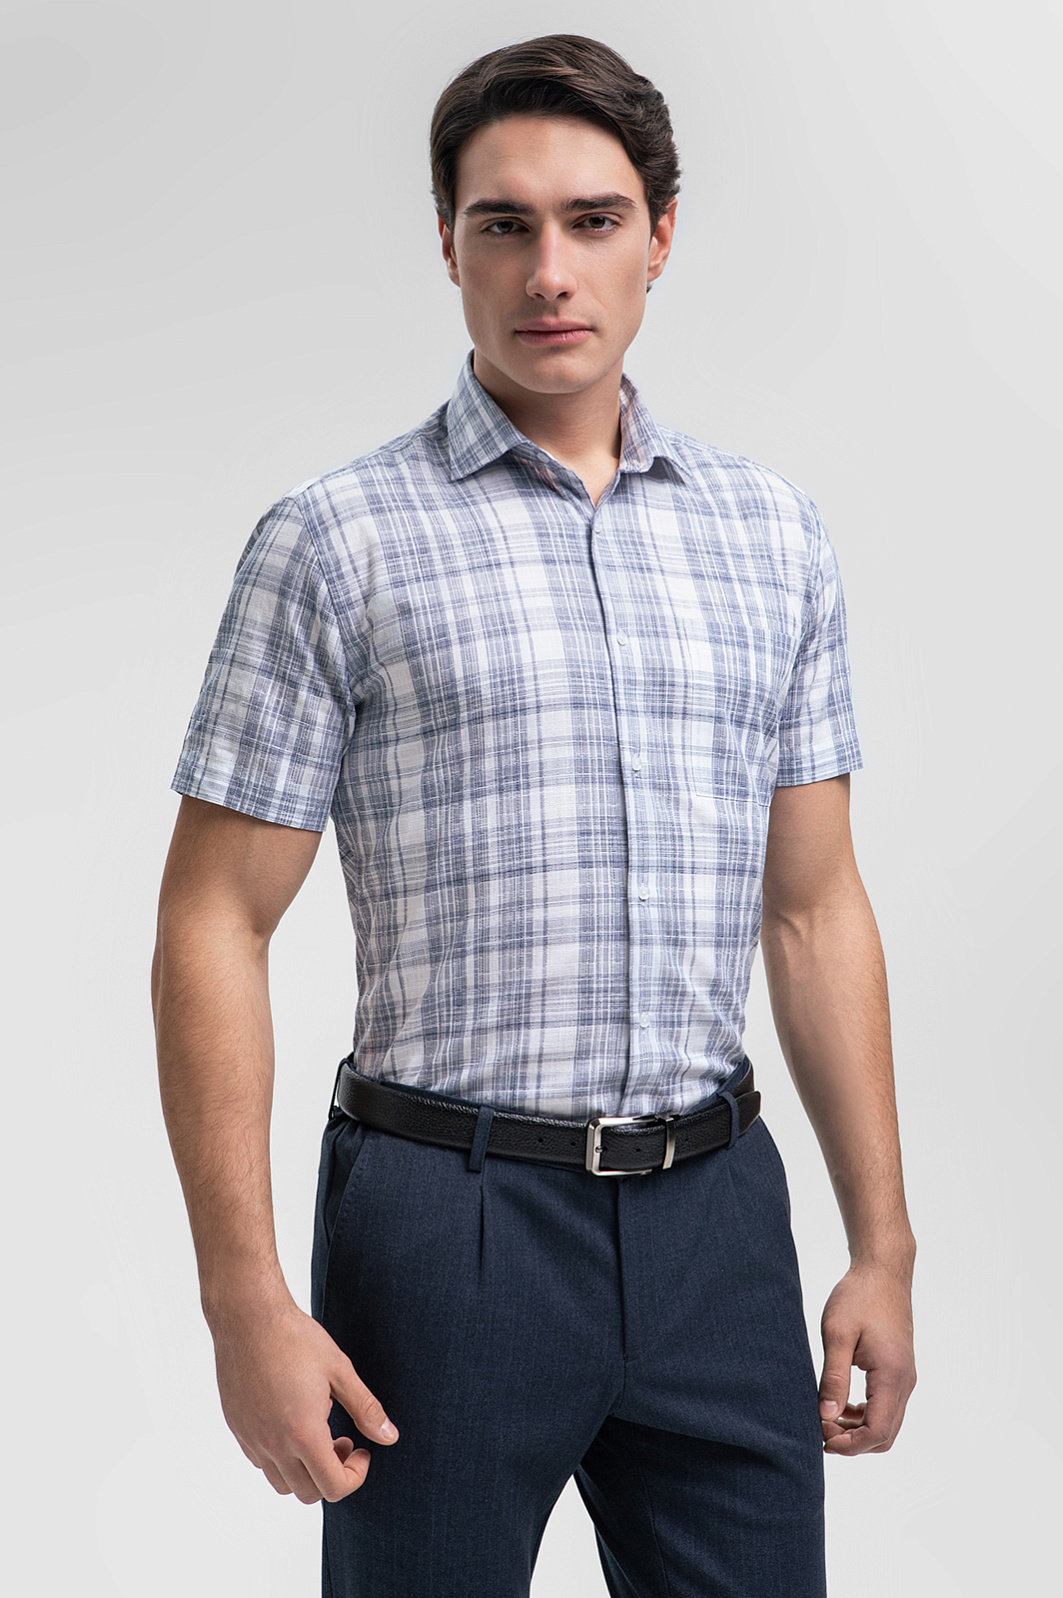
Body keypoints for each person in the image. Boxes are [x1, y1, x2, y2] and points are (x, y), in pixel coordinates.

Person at [152, 33, 916, 1598]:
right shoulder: (335, 542)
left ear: (662, 235)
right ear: (449, 243)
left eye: (593, 220)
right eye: (504, 224)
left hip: (718, 1219)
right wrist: (243, 1295)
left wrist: (883, 1243)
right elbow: (212, 921)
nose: (549, 271)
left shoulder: (773, 538)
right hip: (448, 1223)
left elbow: (814, 906)